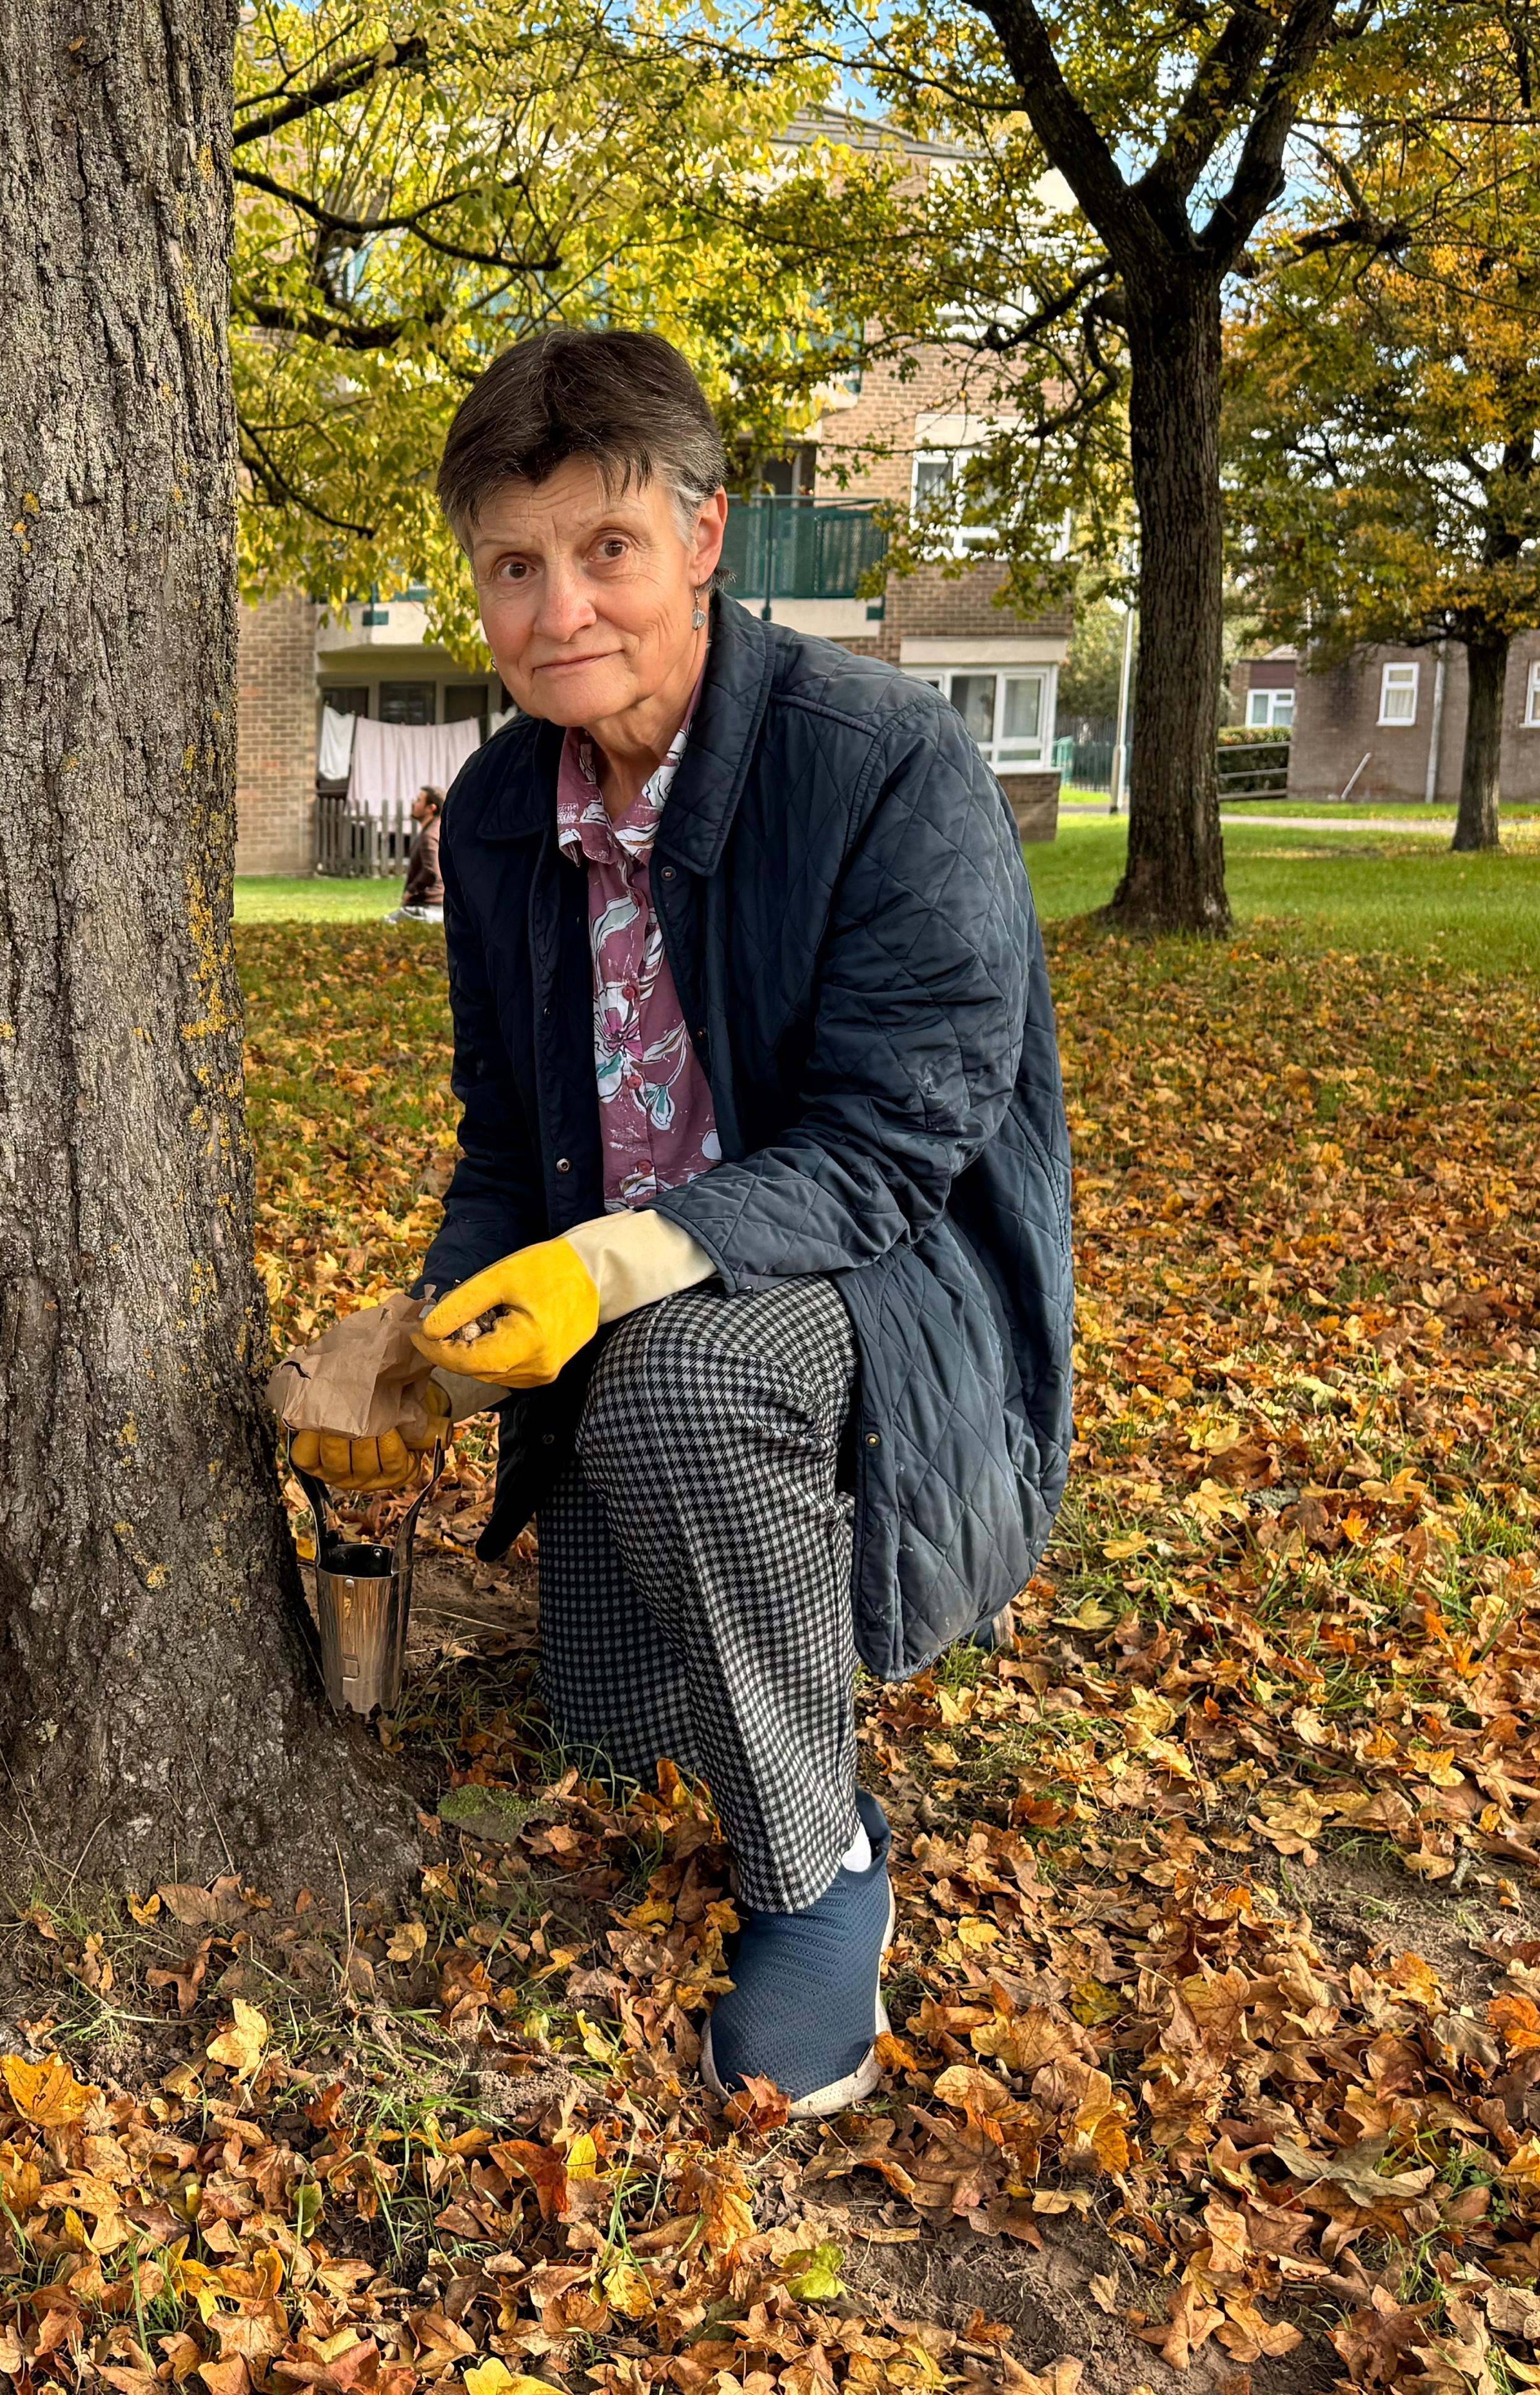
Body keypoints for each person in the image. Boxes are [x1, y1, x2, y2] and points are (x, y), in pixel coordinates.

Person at [284, 328, 1071, 2116]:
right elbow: (513, 1132)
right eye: (512, 564)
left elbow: (898, 1145)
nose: (560, 606)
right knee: (610, 1719)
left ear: (706, 539)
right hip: (630, 1297)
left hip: (895, 1283)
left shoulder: (877, 760)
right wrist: (441, 1328)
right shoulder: (495, 813)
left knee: (681, 1393)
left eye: (607, 550)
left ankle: (818, 1873)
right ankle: (670, 1578)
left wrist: (610, 1268)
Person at [390, 786, 446, 922]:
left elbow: (431, 871)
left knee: (386, 924)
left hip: (428, 906)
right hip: (437, 905)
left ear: (431, 808)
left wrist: (411, 891)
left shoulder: (429, 836)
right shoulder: (438, 830)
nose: (414, 803)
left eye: (419, 800)